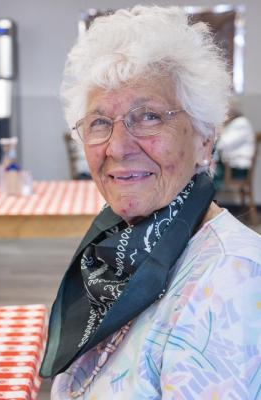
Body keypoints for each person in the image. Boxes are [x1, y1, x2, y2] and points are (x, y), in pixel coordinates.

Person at [40, 6, 261, 398]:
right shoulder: (120, 245)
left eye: (148, 117)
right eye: (99, 122)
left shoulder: (232, 278)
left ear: (204, 139)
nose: (118, 147)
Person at [214, 97, 256, 186]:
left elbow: (222, 144)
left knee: (208, 173)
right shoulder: (235, 123)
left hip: (237, 169)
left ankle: (205, 197)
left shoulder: (241, 123)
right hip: (231, 166)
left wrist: (220, 130)